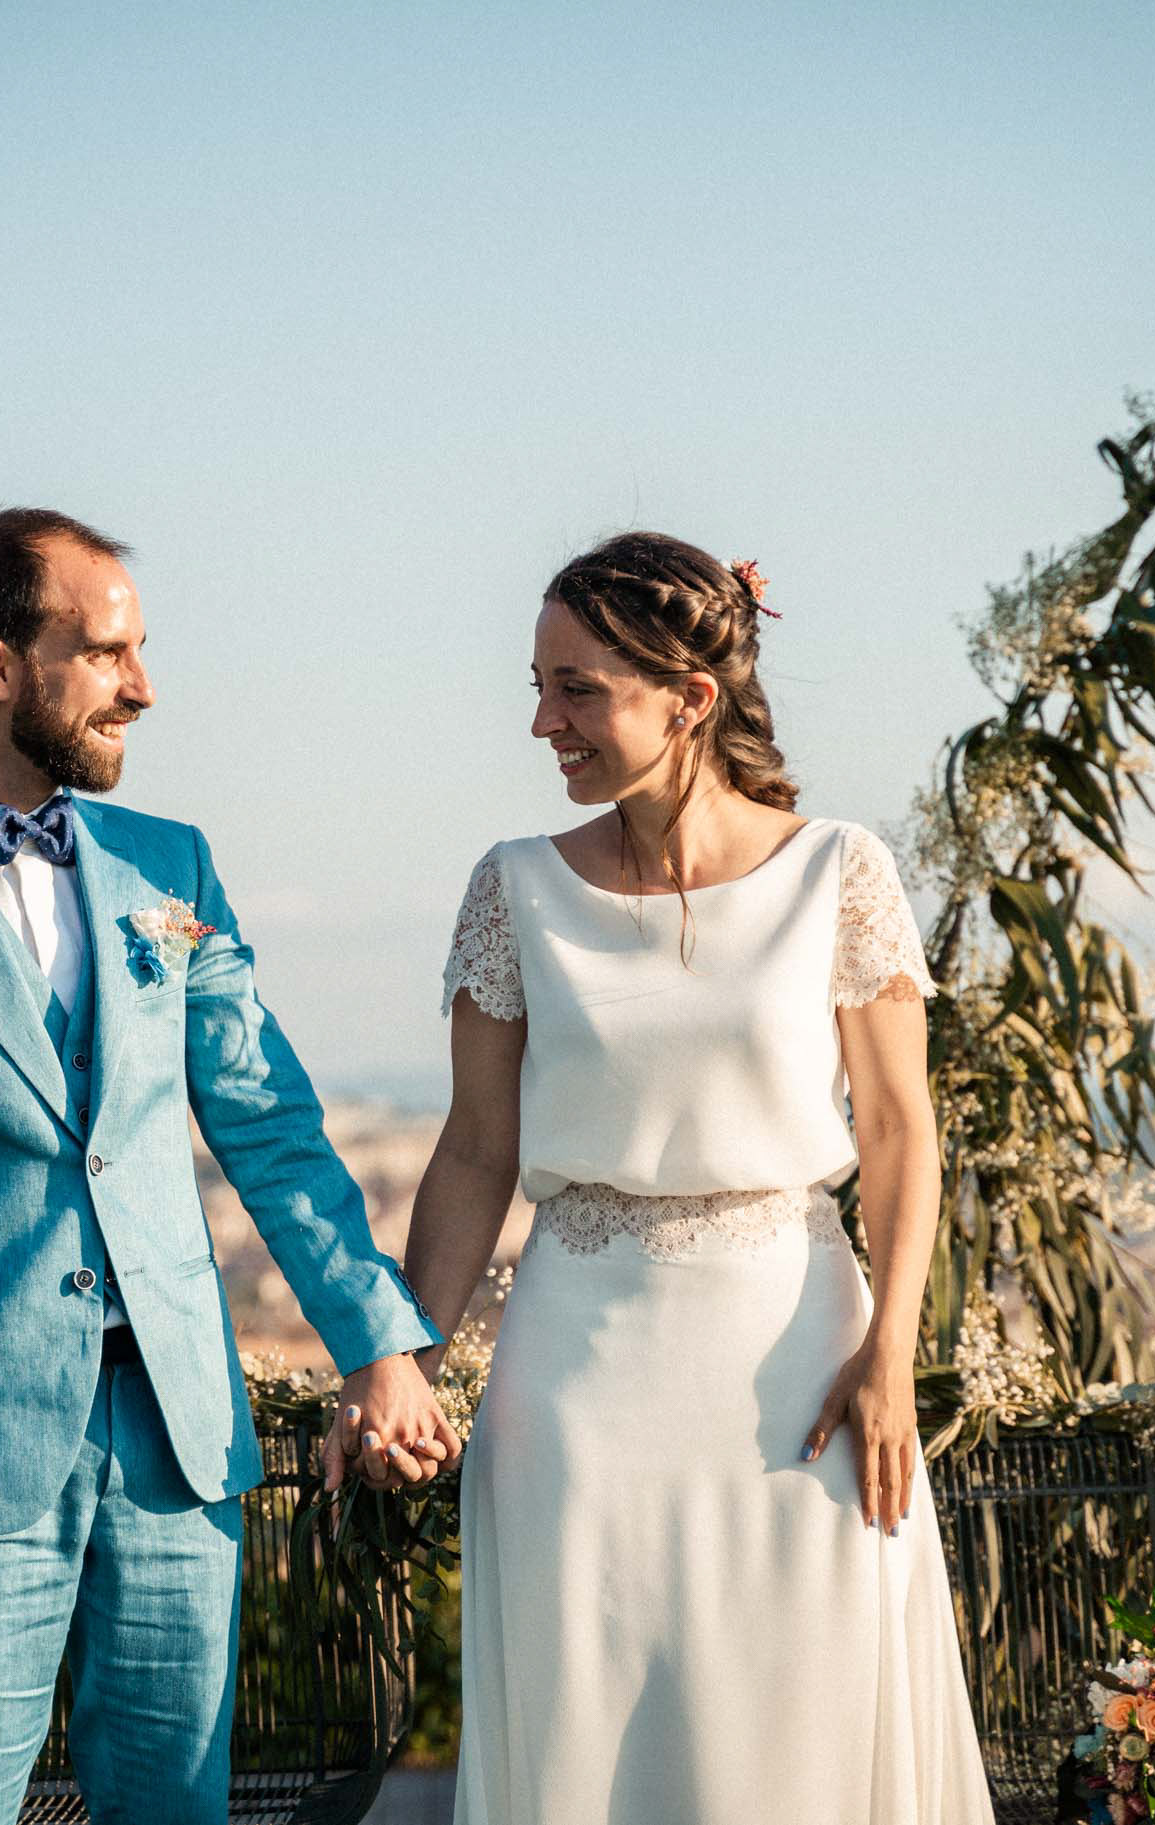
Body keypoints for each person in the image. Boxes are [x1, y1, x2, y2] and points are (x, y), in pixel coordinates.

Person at [0, 507, 458, 1825]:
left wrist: (378, 1342)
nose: (144, 686)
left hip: (178, 1430)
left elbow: (268, 1122)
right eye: (109, 652)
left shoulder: (167, 866)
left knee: (179, 1809)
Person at [401, 531, 996, 1823]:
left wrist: (892, 1355)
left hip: (803, 1372)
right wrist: (407, 1361)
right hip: (573, 1382)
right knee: (582, 1718)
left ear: (690, 698)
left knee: (801, 1719)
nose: (542, 722)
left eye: (576, 690)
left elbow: (901, 1132)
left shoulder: (839, 870)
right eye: (538, 686)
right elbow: (474, 1150)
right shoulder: (512, 889)